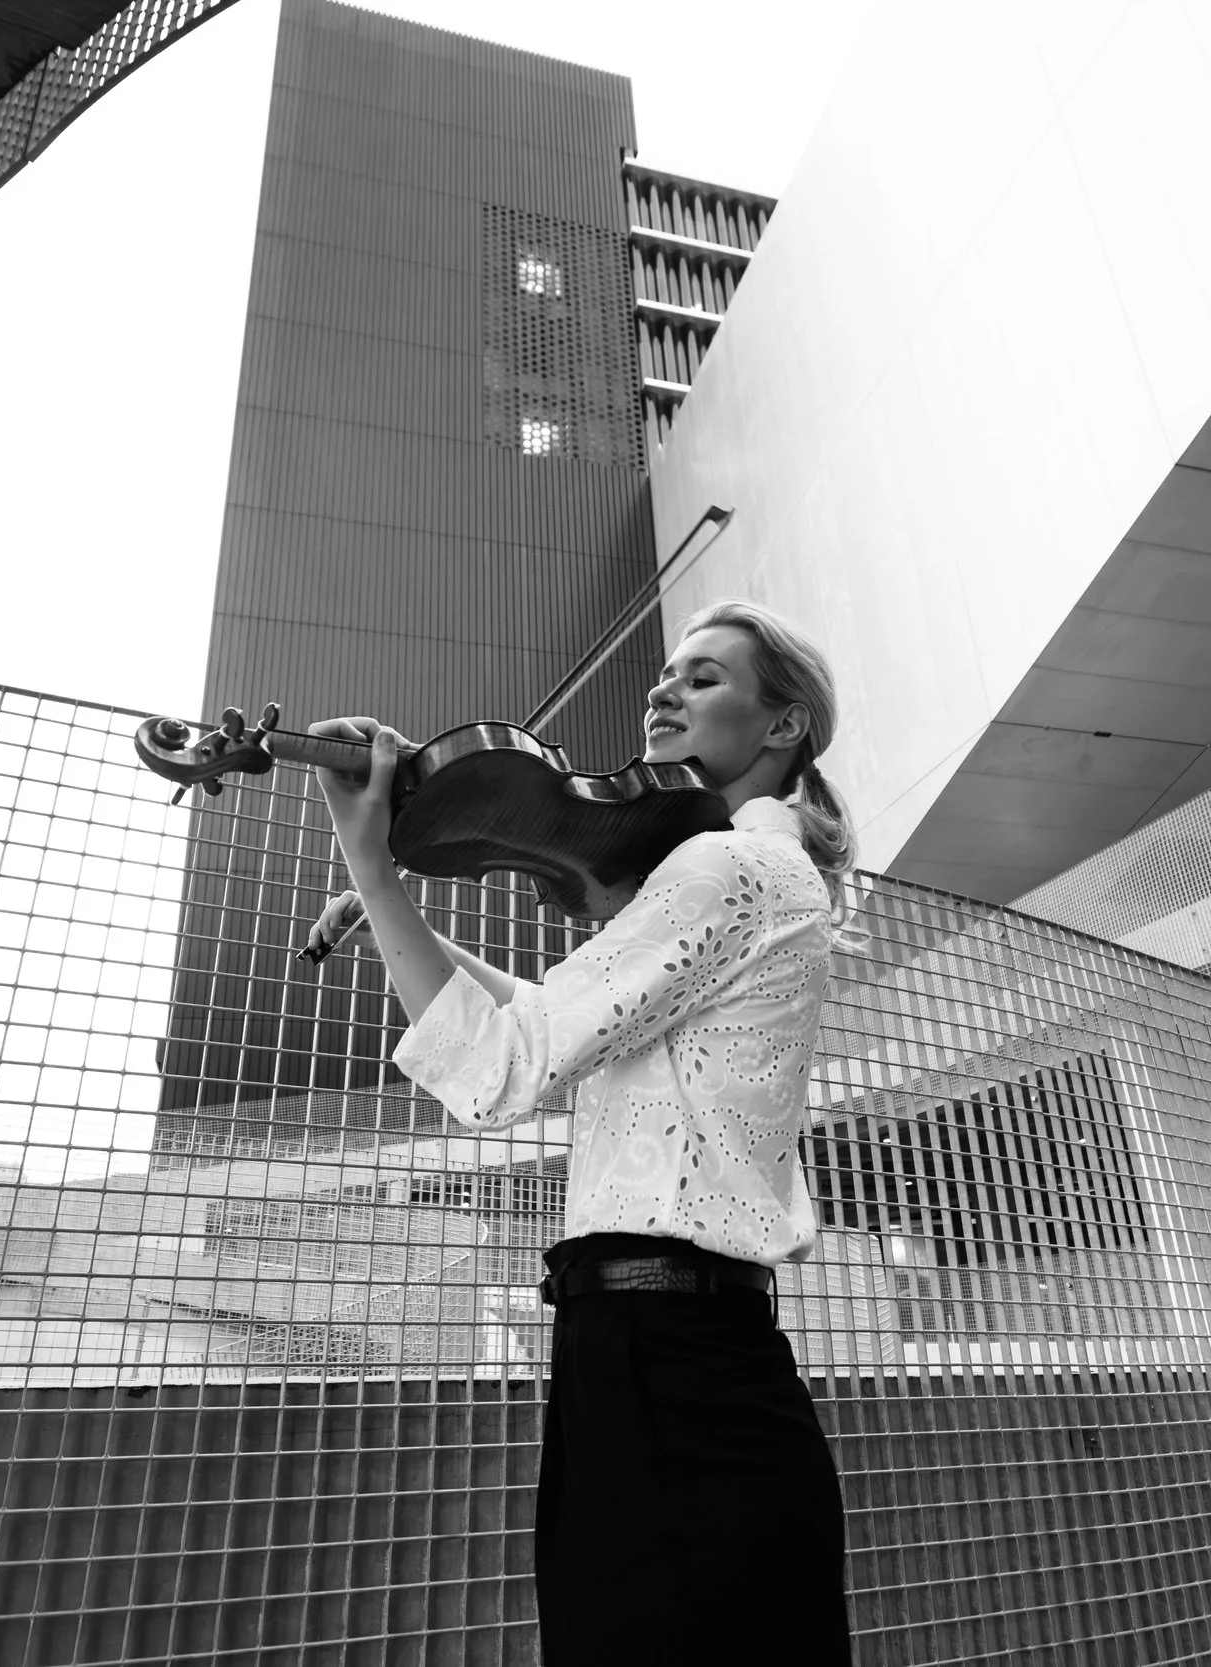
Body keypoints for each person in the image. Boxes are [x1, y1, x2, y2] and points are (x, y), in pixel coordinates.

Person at [304, 599, 857, 1666]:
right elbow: (561, 1035)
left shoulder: (721, 870)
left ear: (781, 726)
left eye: (703, 677)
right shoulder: (752, 874)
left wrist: (375, 865)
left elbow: (509, 1065)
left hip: (665, 1363)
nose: (663, 689)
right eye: (667, 673)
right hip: (675, 1357)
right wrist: (394, 916)